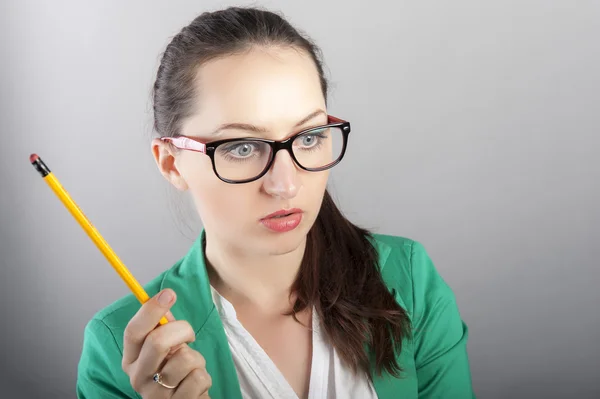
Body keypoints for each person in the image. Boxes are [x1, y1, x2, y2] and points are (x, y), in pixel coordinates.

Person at [76, 6, 474, 399]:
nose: (285, 185)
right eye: (242, 147)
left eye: (308, 137)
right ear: (171, 163)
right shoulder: (122, 349)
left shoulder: (407, 281)